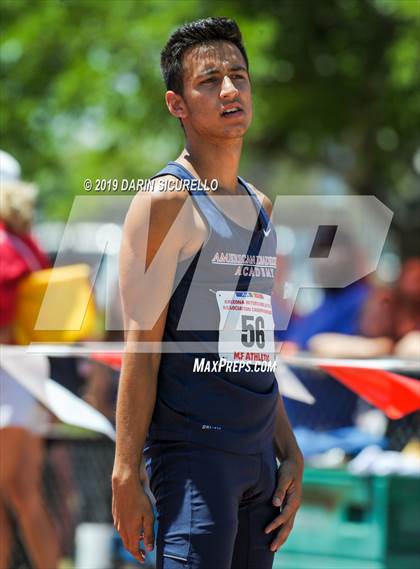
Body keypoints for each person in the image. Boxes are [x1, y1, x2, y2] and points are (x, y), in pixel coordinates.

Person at [112, 17, 303, 569]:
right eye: (209, 80)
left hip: (259, 461)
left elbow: (254, 346)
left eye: (238, 76)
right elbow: (140, 348)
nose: (229, 90)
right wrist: (126, 472)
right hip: (195, 456)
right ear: (177, 104)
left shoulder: (261, 206)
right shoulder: (165, 202)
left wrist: (288, 448)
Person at [0, 174, 60, 569]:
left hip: (8, 371)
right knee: (24, 493)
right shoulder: (26, 241)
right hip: (30, 371)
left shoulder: (6, 242)